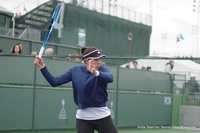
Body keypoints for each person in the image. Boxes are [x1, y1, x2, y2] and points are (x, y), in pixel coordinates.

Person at [34, 47, 118, 133]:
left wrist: (95, 72)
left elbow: (109, 78)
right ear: (86, 60)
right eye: (96, 59)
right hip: (83, 118)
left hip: (102, 115)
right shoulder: (75, 71)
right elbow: (54, 82)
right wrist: (42, 67)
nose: (99, 62)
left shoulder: (102, 70)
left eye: (100, 58)